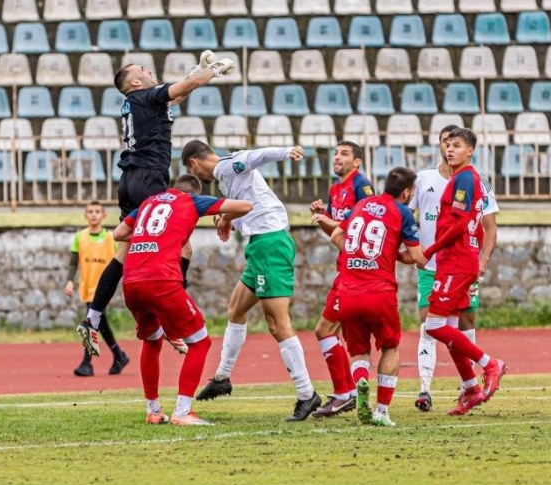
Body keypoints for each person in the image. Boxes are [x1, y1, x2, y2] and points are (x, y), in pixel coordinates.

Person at [77, 51, 234, 356]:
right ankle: (173, 321)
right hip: (150, 179)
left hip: (129, 181)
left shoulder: (136, 103)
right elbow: (185, 87)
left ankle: (92, 319)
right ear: (136, 81)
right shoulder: (147, 96)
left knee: (123, 252)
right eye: (143, 69)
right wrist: (213, 70)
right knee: (182, 247)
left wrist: (196, 71)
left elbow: (178, 95)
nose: (150, 70)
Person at [182, 140, 323, 421]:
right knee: (236, 308)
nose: (198, 178)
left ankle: (307, 394)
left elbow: (254, 156)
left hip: (270, 243)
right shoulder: (225, 176)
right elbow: (249, 201)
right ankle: (222, 377)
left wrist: (286, 152)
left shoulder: (226, 166)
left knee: (277, 324)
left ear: (194, 164)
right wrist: (226, 218)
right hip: (260, 244)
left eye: (193, 171)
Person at [113, 174, 252, 425]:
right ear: (192, 193)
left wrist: (153, 239)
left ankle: (153, 410)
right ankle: (182, 411)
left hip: (131, 280)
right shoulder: (190, 201)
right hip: (161, 280)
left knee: (152, 340)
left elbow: (119, 233)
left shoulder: (147, 203)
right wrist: (223, 218)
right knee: (200, 342)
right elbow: (245, 206)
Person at [409, 124, 499, 412]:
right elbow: (473, 225)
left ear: (470, 151)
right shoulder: (437, 178)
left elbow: (463, 224)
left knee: (435, 325)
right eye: (447, 143)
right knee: (446, 328)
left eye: (457, 145)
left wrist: (431, 250)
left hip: (455, 264)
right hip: (453, 262)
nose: (450, 148)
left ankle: (490, 364)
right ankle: (471, 387)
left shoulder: (465, 180)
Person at [330, 167, 426, 427]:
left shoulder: (362, 204)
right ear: (406, 192)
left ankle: (361, 381)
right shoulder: (402, 213)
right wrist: (392, 253)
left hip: (348, 292)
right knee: (390, 348)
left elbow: (337, 235)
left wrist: (359, 255)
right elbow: (416, 257)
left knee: (358, 351)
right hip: (379, 293)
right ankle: (382, 411)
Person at [307, 141, 375, 418]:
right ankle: (349, 393)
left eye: (344, 154)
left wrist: (330, 222)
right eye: (335, 153)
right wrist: (322, 220)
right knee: (342, 335)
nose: (337, 157)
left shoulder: (363, 185)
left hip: (358, 273)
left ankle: (346, 393)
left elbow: (368, 226)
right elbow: (339, 237)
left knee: (325, 331)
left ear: (357, 162)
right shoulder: (336, 190)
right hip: (345, 268)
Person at [65, 201, 129, 377]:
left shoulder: (111, 238)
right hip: (87, 287)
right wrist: (70, 281)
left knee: (91, 322)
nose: (93, 214)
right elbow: (73, 262)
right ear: (86, 215)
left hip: (103, 289)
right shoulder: (80, 237)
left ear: (103, 216)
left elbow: (122, 261)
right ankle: (119, 355)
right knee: (99, 323)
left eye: (97, 211)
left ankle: (87, 363)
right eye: (90, 212)